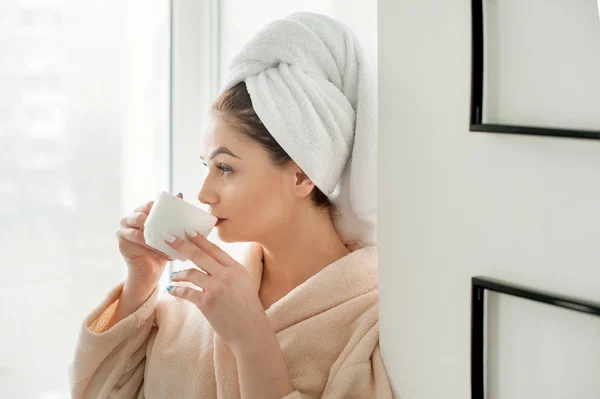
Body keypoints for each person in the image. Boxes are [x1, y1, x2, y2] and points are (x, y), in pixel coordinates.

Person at [69, 12, 392, 399]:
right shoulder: (199, 295)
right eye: (207, 166)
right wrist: (142, 279)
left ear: (303, 175)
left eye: (225, 168)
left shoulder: (372, 318)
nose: (204, 193)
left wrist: (251, 337)